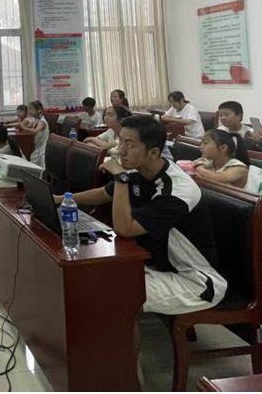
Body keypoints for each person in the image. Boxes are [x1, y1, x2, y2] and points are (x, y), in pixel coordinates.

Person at [56, 117, 227, 315]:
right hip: (155, 264)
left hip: (194, 280)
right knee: (86, 276)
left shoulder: (176, 190)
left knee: (114, 295)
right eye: (121, 142)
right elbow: (104, 193)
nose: (121, 150)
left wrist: (120, 177)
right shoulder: (140, 171)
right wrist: (60, 199)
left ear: (154, 152)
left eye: (130, 145)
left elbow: (125, 228)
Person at [20, 100, 50, 169]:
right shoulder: (35, 120)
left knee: (41, 166)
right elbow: (28, 126)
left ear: (39, 110)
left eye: (31, 110)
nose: (29, 112)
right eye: (29, 110)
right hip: (37, 146)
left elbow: (36, 131)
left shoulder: (42, 121)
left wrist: (23, 127)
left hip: (42, 147)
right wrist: (22, 126)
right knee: (32, 161)